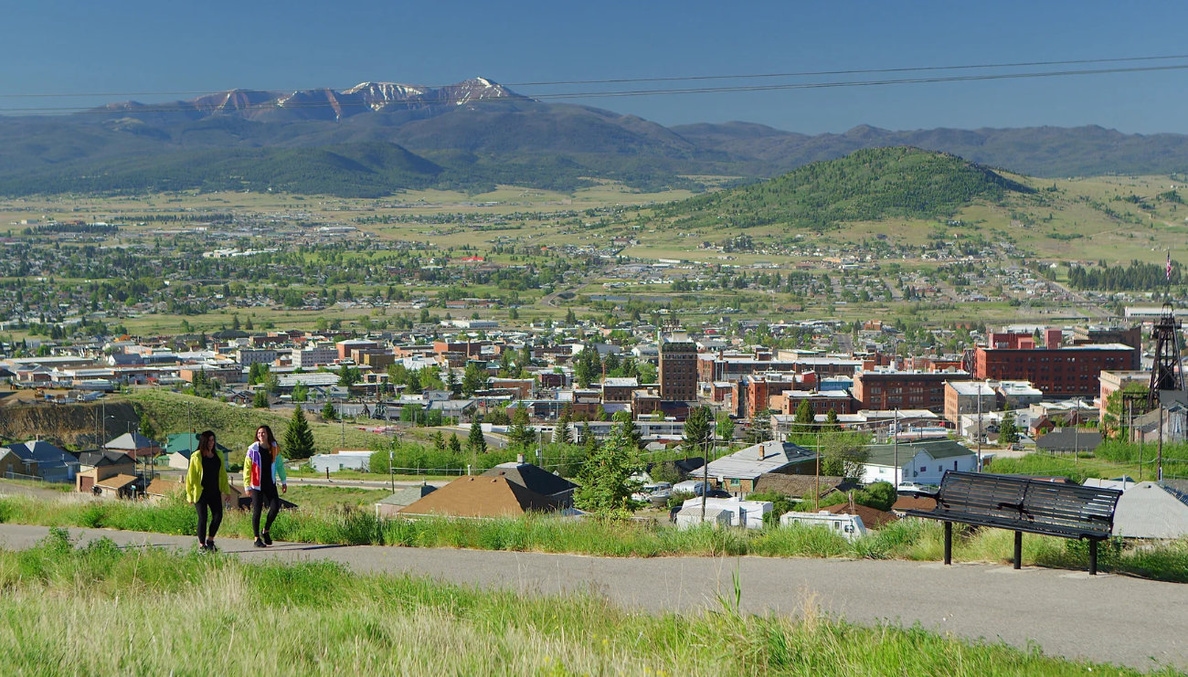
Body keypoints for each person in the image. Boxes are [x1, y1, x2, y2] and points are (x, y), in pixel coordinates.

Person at [184, 430, 231, 552]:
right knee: (203, 518)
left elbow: (223, 474)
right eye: (209, 440)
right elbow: (190, 477)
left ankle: (210, 540)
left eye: (213, 440)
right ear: (204, 441)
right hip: (201, 492)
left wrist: (226, 491)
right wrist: (189, 495)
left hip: (215, 491)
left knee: (218, 516)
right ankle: (201, 545)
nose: (211, 443)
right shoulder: (197, 456)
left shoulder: (218, 455)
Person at [244, 424, 287, 547]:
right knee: (257, 510)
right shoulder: (252, 450)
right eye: (258, 433)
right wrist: (247, 486)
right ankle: (256, 538)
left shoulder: (274, 448)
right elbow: (247, 468)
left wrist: (283, 481)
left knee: (275, 507)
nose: (261, 435)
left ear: (268, 434)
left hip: (270, 483)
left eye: (263, 433)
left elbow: (279, 465)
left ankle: (266, 530)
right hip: (256, 484)